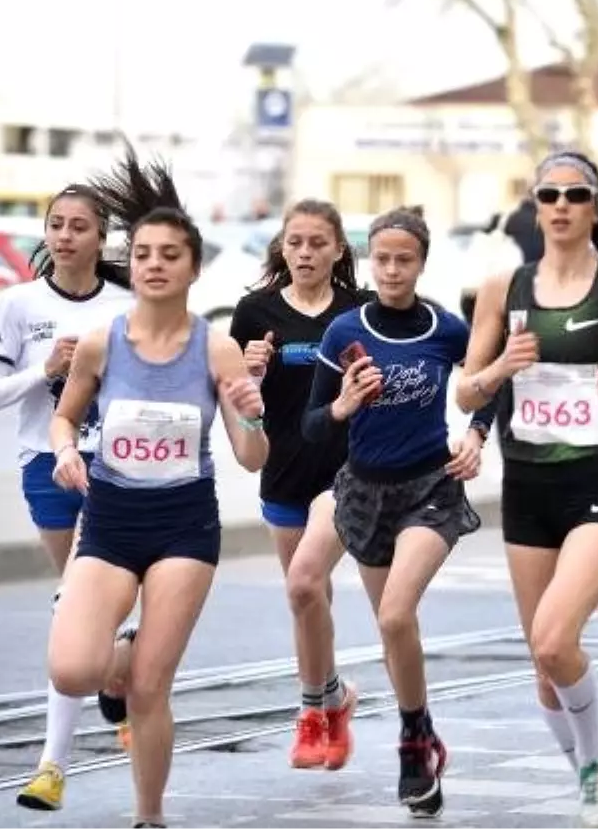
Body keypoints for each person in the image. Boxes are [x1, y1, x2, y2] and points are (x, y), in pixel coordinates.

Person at [456, 150, 598, 829]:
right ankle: (592, 764)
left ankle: (593, 764)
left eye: (575, 194)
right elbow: (466, 387)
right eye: (549, 195)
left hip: (595, 487)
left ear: (593, 207)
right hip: (526, 490)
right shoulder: (503, 288)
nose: (560, 205)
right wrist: (502, 364)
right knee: (543, 663)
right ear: (535, 207)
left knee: (557, 640)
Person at [45, 150, 270, 829]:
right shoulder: (100, 343)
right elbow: (64, 416)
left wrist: (253, 411)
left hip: (183, 528)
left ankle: (149, 818)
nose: (153, 264)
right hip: (110, 520)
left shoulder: (217, 349)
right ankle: (118, 658)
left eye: (170, 254)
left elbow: (252, 457)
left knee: (149, 688)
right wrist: (63, 452)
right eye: (142, 252)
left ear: (193, 267)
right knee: (72, 671)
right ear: (131, 261)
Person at [301, 207, 492, 818]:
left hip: (430, 487)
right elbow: (310, 427)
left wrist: (477, 434)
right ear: (368, 258)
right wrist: (341, 406)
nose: (391, 269)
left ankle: (411, 746)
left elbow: (494, 381)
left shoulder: (446, 328)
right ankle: (426, 729)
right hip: (365, 493)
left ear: (421, 263)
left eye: (403, 259)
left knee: (393, 614)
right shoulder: (343, 332)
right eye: (381, 258)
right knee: (395, 630)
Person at [0, 184, 132, 811]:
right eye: (56, 225)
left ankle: (51, 767)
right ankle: (116, 675)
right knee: (91, 612)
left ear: (100, 238)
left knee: (73, 607)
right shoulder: (17, 305)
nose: (65, 237)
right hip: (45, 464)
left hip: (113, 465)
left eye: (79, 227)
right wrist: (46, 370)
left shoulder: (127, 301)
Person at [229, 199, 368, 771]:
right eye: (295, 243)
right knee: (308, 596)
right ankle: (335, 697)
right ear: (281, 248)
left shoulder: (360, 311)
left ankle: (313, 713)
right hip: (284, 472)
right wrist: (249, 369)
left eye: (317, 243)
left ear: (338, 249)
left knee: (306, 584)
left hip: (345, 475)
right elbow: (238, 400)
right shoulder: (254, 311)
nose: (305, 253)